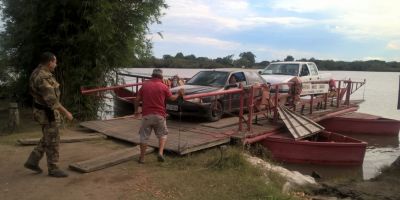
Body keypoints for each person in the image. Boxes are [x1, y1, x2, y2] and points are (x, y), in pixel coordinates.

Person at [24, 52, 73, 178]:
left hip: (42, 111)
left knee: (48, 136)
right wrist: (66, 112)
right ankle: (53, 168)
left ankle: (33, 160)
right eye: (55, 62)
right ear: (50, 62)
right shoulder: (43, 77)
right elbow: (52, 100)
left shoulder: (36, 71)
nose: (56, 65)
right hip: (47, 113)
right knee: (53, 140)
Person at [134, 68, 184, 163]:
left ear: (152, 76)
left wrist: (136, 111)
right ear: (161, 77)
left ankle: (142, 158)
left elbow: (136, 99)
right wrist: (178, 94)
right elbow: (172, 98)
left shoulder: (145, 85)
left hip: (146, 115)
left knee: (144, 137)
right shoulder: (164, 86)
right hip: (160, 115)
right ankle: (160, 153)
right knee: (163, 135)